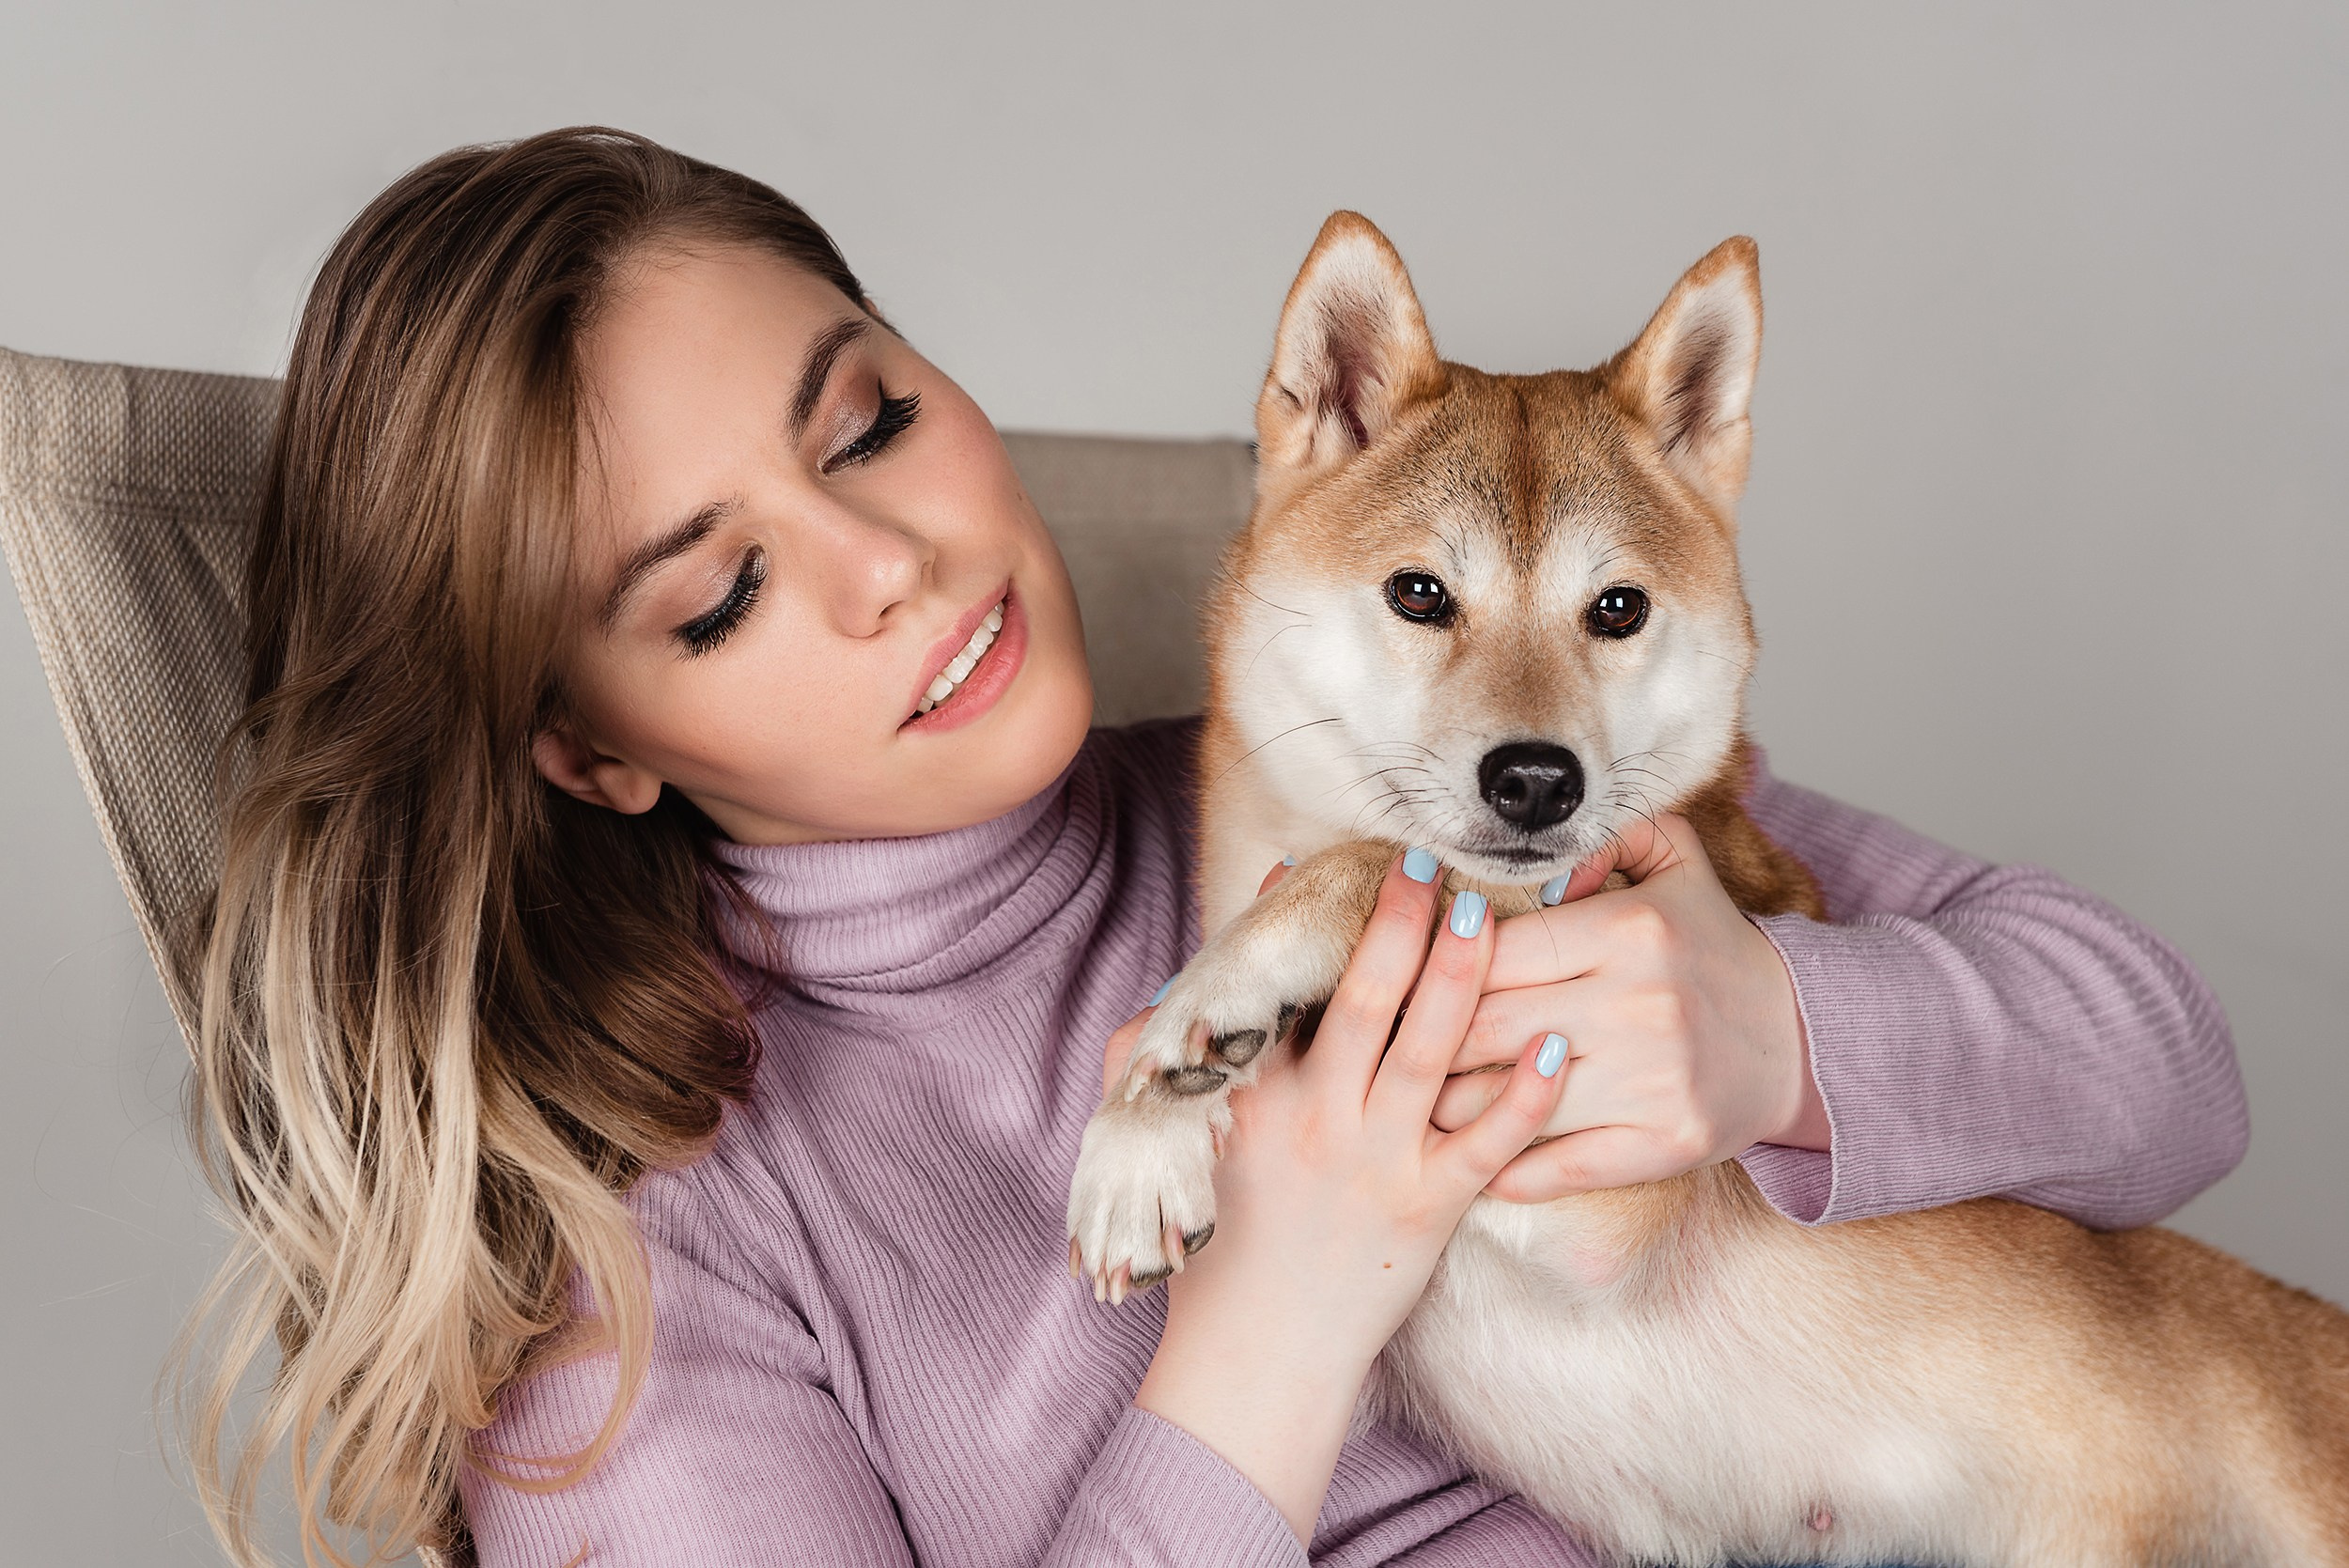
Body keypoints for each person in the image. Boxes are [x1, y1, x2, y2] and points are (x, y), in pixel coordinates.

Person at [185, 126, 2247, 1568]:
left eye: (867, 423)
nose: (893, 566)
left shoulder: (1370, 764)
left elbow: (2169, 1070)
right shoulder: (642, 1277)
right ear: (582, 742)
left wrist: (1774, 1028)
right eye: (716, 594)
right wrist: (1272, 1320)